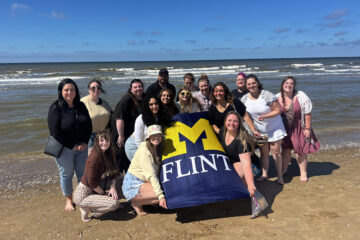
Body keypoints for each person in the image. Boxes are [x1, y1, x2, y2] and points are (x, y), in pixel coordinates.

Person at [47, 78, 92, 211]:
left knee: (81, 173)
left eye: (72, 89)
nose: (69, 92)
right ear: (61, 91)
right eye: (66, 90)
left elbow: (88, 125)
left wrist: (85, 141)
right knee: (66, 174)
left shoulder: (81, 105)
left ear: (76, 91)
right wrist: (72, 146)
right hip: (64, 148)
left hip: (82, 147)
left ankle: (81, 198)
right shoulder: (55, 107)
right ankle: (69, 200)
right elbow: (55, 132)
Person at [241, 74, 287, 184]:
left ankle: (280, 177)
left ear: (257, 83)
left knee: (276, 153)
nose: (251, 85)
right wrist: (251, 130)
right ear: (246, 86)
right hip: (260, 131)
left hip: (275, 129)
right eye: (249, 84)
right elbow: (245, 116)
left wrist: (265, 116)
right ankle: (265, 174)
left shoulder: (267, 95)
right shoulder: (244, 99)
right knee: (264, 152)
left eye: (253, 83)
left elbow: (278, 110)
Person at [74, 130, 122, 222]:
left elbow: (114, 172)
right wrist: (104, 194)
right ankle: (89, 209)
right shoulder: (94, 157)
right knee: (114, 204)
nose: (105, 143)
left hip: (95, 187)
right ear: (97, 142)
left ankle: (104, 202)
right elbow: (91, 183)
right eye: (101, 140)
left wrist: (112, 188)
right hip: (84, 194)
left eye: (107, 140)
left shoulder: (108, 152)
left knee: (119, 178)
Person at [122, 125, 167, 216]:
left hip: (143, 181)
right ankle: (136, 202)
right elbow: (151, 175)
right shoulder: (144, 151)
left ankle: (143, 200)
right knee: (163, 194)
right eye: (153, 135)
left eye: (158, 135)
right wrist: (161, 196)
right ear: (149, 137)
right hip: (132, 185)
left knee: (166, 191)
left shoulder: (157, 148)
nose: (156, 137)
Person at [277, 76, 315, 182]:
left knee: (300, 150)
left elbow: (307, 114)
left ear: (294, 86)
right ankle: (284, 170)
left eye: (291, 83)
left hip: (299, 127)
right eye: (286, 82)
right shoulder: (277, 97)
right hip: (283, 128)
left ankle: (303, 173)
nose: (288, 85)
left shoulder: (301, 96)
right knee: (285, 150)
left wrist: (307, 129)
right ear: (282, 84)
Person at [218, 111, 256, 197]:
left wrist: (250, 184)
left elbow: (246, 164)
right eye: (229, 120)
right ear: (225, 122)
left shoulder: (242, 141)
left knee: (232, 178)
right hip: (233, 163)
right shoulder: (222, 132)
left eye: (235, 121)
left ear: (239, 123)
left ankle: (250, 192)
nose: (232, 123)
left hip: (253, 167)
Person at [111, 79, 145, 172]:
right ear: (131, 89)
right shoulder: (127, 99)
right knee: (120, 159)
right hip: (120, 133)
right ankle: (117, 182)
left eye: (140, 86)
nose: (138, 89)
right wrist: (121, 136)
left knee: (130, 160)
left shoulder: (143, 98)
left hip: (132, 134)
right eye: (135, 87)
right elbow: (119, 118)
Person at [124, 96, 170, 161]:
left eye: (156, 103)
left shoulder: (158, 116)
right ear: (146, 106)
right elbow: (138, 141)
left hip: (148, 145)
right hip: (134, 145)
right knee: (141, 168)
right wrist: (145, 154)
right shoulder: (141, 119)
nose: (154, 106)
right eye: (151, 104)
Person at [81, 78, 112, 155]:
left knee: (102, 158)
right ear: (89, 90)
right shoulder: (82, 102)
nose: (96, 89)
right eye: (93, 88)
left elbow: (111, 115)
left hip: (103, 134)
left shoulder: (104, 103)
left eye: (98, 88)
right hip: (89, 136)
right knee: (91, 158)